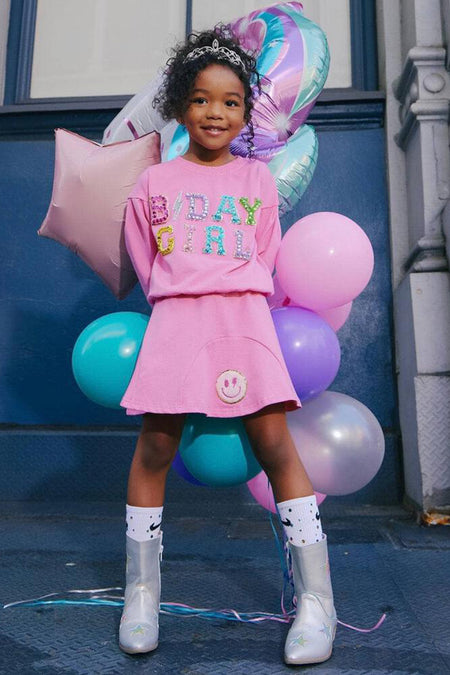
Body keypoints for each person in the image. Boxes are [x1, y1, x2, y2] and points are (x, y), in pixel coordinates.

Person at [118, 26, 337, 666]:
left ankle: (318, 602)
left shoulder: (257, 181)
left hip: (244, 321)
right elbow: (145, 262)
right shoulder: (152, 184)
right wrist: (186, 292)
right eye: (203, 99)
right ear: (183, 105)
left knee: (274, 444)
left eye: (232, 101)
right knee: (155, 444)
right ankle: (141, 594)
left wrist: (225, 291)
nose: (217, 112)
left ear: (246, 111)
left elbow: (262, 254)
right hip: (177, 323)